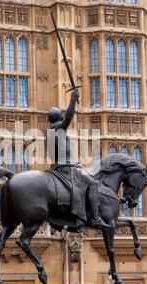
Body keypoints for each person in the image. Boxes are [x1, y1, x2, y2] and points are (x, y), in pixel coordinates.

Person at [47, 89, 110, 229]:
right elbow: (69, 117)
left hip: (58, 167)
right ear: (58, 118)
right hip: (66, 168)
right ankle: (95, 218)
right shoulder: (58, 128)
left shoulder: (50, 131)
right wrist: (73, 99)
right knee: (93, 184)